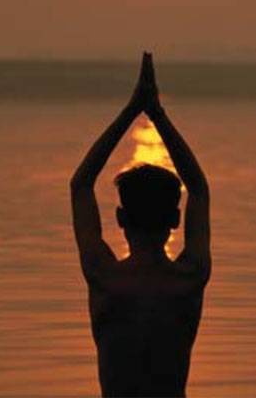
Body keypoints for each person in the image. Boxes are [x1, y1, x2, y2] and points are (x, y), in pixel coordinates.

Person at [70, 52, 211, 398]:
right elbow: (199, 188)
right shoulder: (188, 279)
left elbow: (81, 185)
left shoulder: (104, 277)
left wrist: (132, 110)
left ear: (120, 219)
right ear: (176, 220)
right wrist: (157, 114)